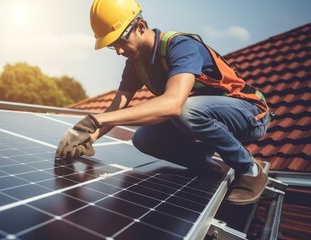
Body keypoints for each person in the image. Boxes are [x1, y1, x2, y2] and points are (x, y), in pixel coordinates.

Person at [55, 0, 270, 205]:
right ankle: (206, 165)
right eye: (113, 46)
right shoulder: (135, 64)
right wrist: (87, 138)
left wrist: (94, 120)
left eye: (120, 40)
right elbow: (116, 109)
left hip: (250, 114)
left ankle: (250, 169)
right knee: (144, 138)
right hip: (207, 117)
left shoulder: (181, 46)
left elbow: (173, 105)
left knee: (186, 110)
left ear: (140, 26)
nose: (119, 51)